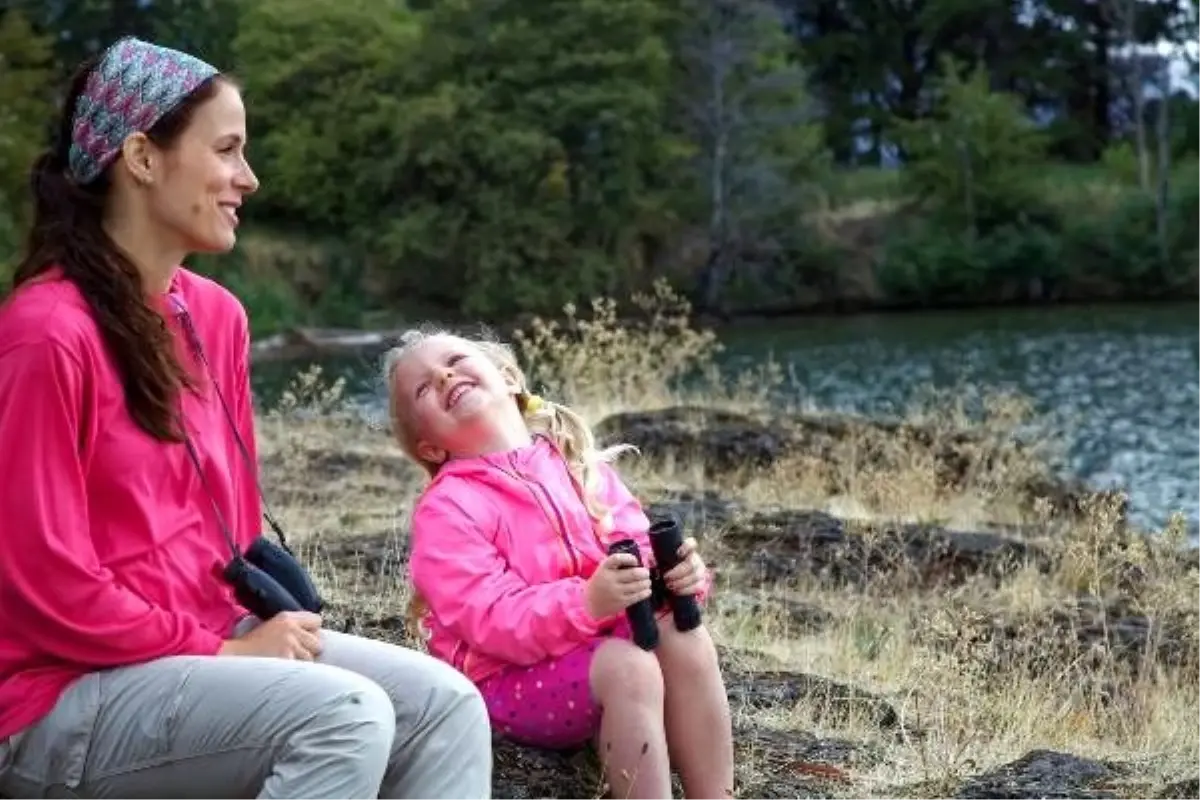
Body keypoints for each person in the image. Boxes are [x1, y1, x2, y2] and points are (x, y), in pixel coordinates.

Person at [0, 37, 492, 800]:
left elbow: (227, 527)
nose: (248, 179)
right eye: (227, 150)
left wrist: (236, 640)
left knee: (447, 707)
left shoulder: (216, 319)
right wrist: (221, 653)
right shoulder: (46, 334)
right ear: (141, 157)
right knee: (345, 716)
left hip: (200, 652)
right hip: (59, 692)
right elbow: (44, 582)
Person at [383, 328, 736, 800]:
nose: (445, 375)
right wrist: (587, 603)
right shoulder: (447, 509)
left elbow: (633, 544)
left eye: (455, 359)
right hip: (505, 680)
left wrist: (677, 579)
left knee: (684, 634)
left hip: (589, 644)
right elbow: (491, 619)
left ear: (508, 377)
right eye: (424, 388)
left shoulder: (573, 462)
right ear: (429, 447)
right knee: (628, 669)